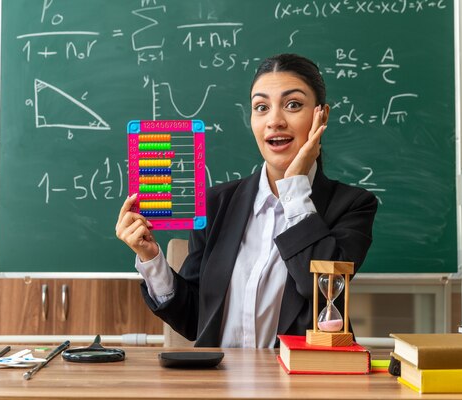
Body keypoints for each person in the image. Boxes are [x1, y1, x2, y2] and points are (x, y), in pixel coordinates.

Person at [116, 53, 377, 348]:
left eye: (293, 105)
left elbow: (320, 288)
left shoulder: (353, 205)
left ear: (322, 116)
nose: (275, 121)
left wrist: (294, 188)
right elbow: (194, 320)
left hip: (301, 386)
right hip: (220, 386)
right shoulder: (216, 204)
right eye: (261, 107)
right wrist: (151, 258)